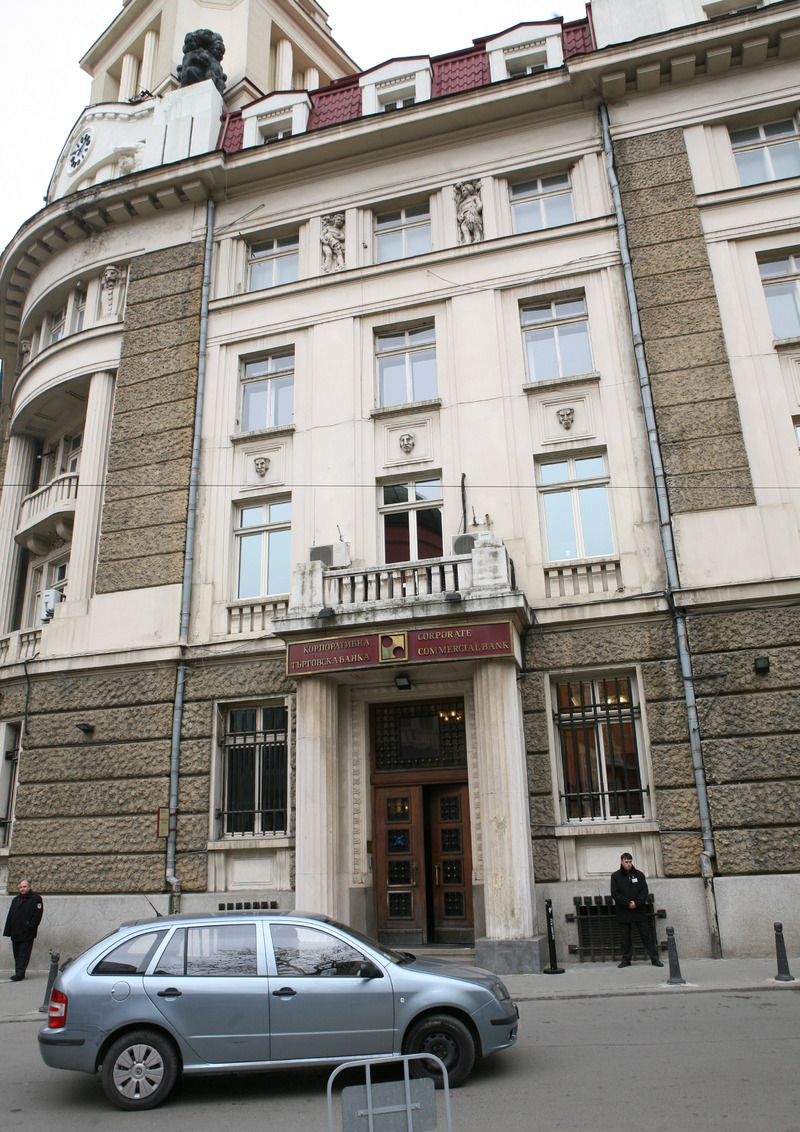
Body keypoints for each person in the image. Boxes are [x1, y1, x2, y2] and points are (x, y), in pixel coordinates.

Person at [610, 853, 663, 968]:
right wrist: (627, 903)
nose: (628, 864)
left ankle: (654, 959)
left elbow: (644, 891)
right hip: (624, 911)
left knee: (646, 935)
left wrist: (636, 903)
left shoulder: (639, 875)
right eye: (626, 862)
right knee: (625, 937)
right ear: (622, 862)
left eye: (630, 862)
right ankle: (626, 959)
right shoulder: (615, 876)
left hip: (639, 910)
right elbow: (615, 893)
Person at [3, 878, 44, 981]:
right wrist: (8, 930)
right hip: (15, 932)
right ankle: (19, 972)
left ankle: (20, 974)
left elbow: (37, 915)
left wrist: (30, 926)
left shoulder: (35, 899)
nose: (22, 889)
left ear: (29, 887)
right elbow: (10, 916)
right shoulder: (16, 899)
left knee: (23, 955)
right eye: (21, 887)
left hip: (27, 933)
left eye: (24, 887)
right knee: (16, 954)